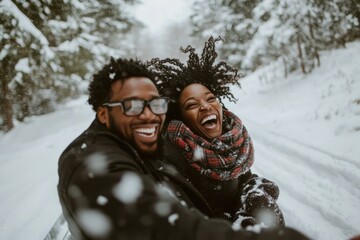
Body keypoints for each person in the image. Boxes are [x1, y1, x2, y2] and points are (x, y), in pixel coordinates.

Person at [57, 57, 309, 239]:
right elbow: (163, 226)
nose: (148, 116)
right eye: (132, 105)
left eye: (155, 105)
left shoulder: (144, 146)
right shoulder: (91, 157)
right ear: (103, 113)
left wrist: (255, 200)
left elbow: (239, 185)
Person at [147, 36, 284, 229]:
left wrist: (256, 196)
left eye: (210, 98)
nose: (205, 106)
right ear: (182, 118)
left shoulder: (228, 145)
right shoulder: (169, 159)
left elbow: (244, 180)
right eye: (192, 104)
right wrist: (236, 227)